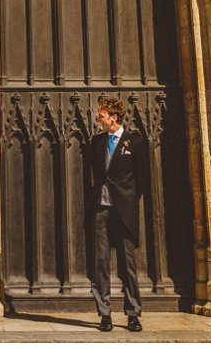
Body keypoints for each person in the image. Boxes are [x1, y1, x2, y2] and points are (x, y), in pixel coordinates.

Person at [85, 96, 148, 333]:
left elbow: (142, 179)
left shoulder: (135, 142)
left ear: (113, 117)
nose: (98, 117)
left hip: (123, 210)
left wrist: (129, 201)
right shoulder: (97, 142)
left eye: (101, 113)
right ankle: (104, 313)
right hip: (101, 208)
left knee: (127, 264)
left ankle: (133, 313)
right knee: (100, 263)